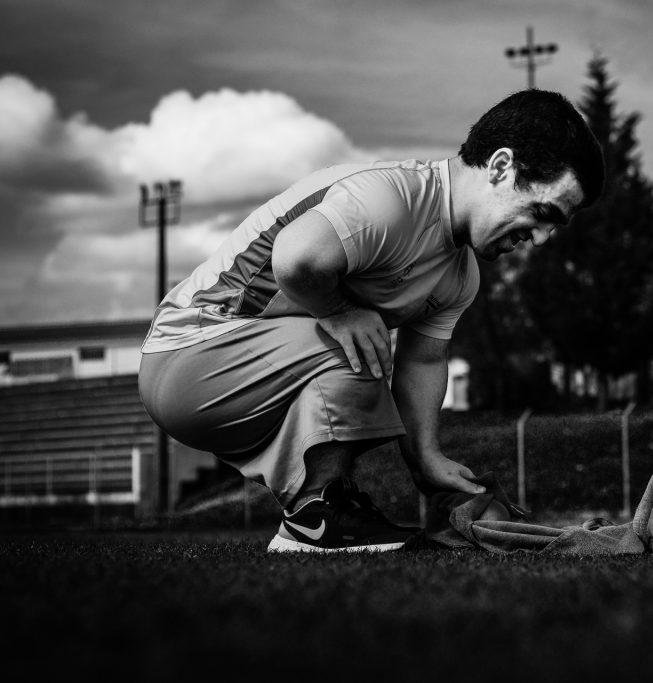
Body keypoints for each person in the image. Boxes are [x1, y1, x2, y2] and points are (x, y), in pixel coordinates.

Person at [137, 89, 605, 553]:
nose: (541, 238)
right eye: (542, 213)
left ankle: (319, 513)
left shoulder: (461, 277)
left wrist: (425, 458)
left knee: (367, 341)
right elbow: (297, 257)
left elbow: (423, 361)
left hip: (240, 374)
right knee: (363, 340)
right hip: (188, 354)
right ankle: (318, 510)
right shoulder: (392, 198)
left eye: (554, 227)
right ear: (501, 167)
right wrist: (341, 314)